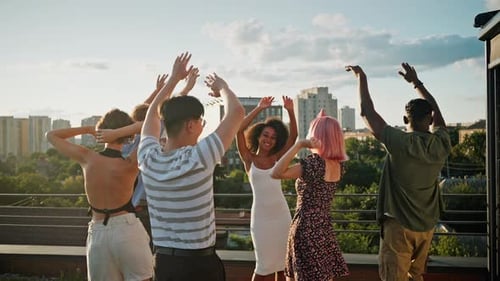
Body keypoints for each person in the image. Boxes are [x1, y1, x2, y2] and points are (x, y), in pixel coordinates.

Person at [137, 52, 245, 281]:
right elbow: (237, 112)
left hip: (164, 264)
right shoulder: (200, 157)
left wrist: (174, 80)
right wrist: (222, 86)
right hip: (199, 265)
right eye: (200, 122)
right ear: (190, 125)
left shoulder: (148, 159)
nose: (202, 126)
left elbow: (150, 117)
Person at [345, 63, 451, 281]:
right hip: (427, 226)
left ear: (405, 119)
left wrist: (361, 77)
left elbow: (367, 113)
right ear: (430, 120)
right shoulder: (441, 143)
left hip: (399, 226)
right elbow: (438, 113)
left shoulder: (399, 142)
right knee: (417, 276)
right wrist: (416, 83)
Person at [46, 109, 153, 281]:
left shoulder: (87, 158)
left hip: (97, 232)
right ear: (127, 135)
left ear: (102, 130)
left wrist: (89, 129)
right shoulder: (131, 162)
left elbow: (51, 135)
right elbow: (154, 126)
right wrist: (124, 131)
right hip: (127, 230)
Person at [97, 69, 200, 242]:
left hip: (141, 204)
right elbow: (155, 114)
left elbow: (156, 112)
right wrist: (180, 87)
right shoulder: (139, 140)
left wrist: (174, 88)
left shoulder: (133, 141)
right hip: (144, 205)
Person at [271, 109, 350, 281]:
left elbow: (276, 173)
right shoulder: (340, 165)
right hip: (323, 226)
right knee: (323, 275)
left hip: (306, 227)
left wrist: (299, 145)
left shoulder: (314, 165)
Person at [235, 96, 297, 281]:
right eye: (265, 135)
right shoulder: (249, 159)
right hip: (261, 220)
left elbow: (293, 137)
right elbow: (239, 130)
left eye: (272, 137)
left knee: (284, 267)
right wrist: (259, 108)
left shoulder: (278, 158)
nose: (268, 140)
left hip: (281, 217)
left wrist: (291, 111)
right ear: (258, 136)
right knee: (263, 268)